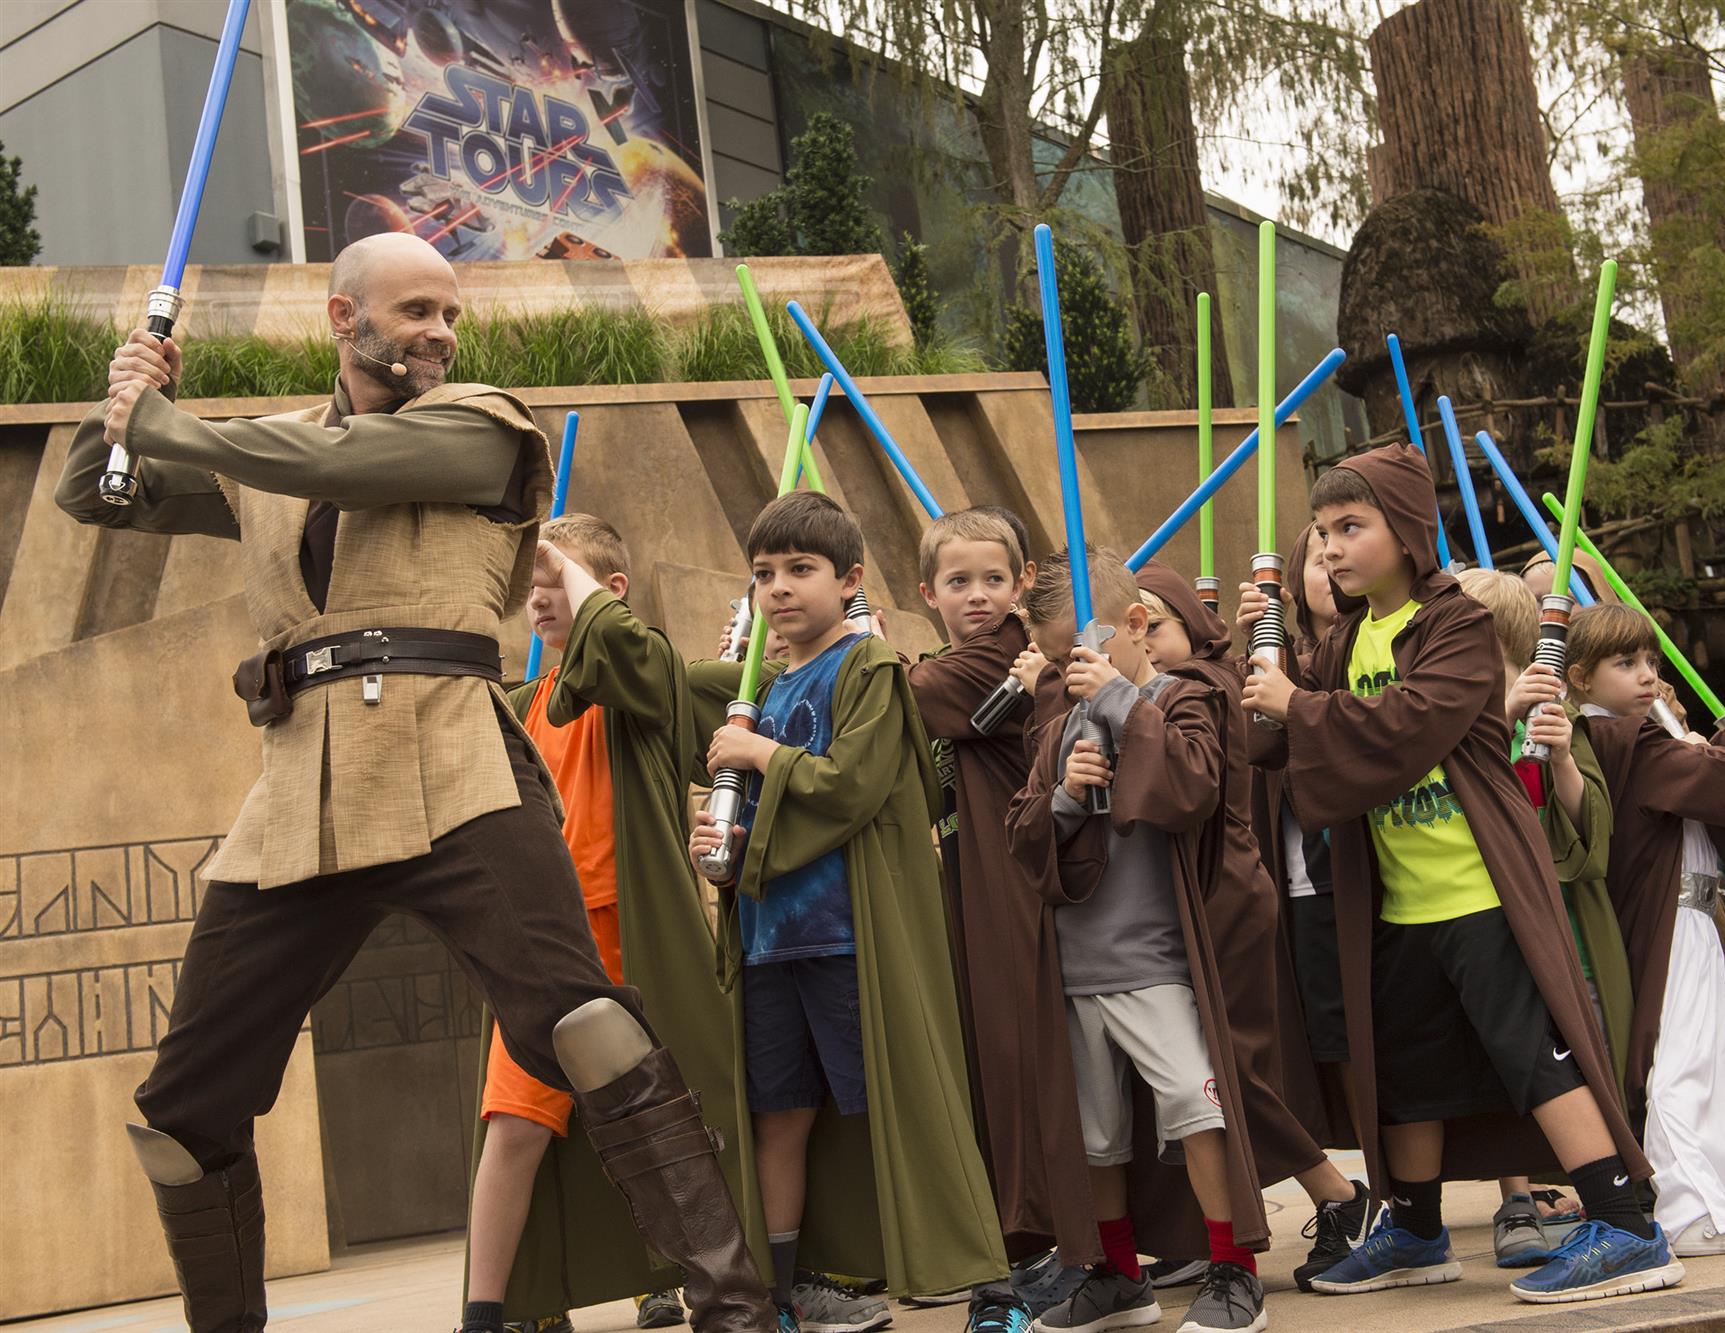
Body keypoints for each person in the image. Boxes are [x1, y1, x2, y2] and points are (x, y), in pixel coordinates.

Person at [54, 233, 773, 1333]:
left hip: (454, 761)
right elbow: (97, 494)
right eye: (415, 311)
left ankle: (734, 1309)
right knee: (185, 1105)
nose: (440, 332)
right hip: (301, 788)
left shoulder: (482, 425)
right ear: (344, 320)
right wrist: (123, 397)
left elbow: (344, 464)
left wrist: (165, 425)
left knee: (585, 1023)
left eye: (449, 312)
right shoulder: (269, 452)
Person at [1239, 445, 1677, 1306]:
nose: (1330, 547)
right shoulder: (1342, 641)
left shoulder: (1456, 623)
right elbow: (1267, 740)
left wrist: (1299, 706)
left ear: (1406, 529)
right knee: (1406, 1071)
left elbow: (1412, 723)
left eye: (1350, 526)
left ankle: (1625, 1225)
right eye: (1321, 531)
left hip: (1481, 886)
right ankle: (1414, 1228)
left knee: (1535, 1056)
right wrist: (1259, 651)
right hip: (1399, 901)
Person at [687, 491, 1010, 1324]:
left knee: (905, 1103)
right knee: (779, 1116)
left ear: (850, 579)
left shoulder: (867, 667)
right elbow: (768, 821)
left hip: (850, 938)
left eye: (800, 568)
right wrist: (722, 844)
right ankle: (782, 1293)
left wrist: (760, 751)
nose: (779, 588)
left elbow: (852, 786)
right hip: (769, 942)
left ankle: (989, 1283)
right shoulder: (762, 685)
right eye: (763, 573)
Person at [461, 515, 748, 1333]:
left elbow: (623, 651)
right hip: (547, 950)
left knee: (669, 1124)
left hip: (633, 936)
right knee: (515, 1123)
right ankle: (483, 1314)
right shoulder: (522, 705)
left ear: (609, 591)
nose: (538, 600)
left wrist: (574, 578)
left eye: (554, 582)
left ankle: (714, 1284)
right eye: (528, 588)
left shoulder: (644, 679)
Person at [1005, 547, 1271, 1333]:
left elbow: (1192, 786)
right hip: (1075, 964)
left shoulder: (1182, 698)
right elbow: (1021, 832)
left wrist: (1120, 700)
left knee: (1196, 1106)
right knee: (1095, 1135)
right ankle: (1118, 1276)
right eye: (1058, 658)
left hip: (1155, 959)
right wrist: (1063, 796)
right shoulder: (1059, 726)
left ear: (1131, 625)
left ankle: (1233, 1269)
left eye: (1078, 653)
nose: (1069, 671)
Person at [1140, 562, 1368, 1295]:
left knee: (1224, 1069)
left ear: (1190, 627)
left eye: (1157, 625)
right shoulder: (1164, 687)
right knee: (1188, 1072)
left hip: (1226, 897)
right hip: (1185, 902)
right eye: (1132, 627)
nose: (1144, 641)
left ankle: (1336, 1191)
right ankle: (1194, 1227)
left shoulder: (1204, 687)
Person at [1563, 603, 1725, 1258]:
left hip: (1686, 911)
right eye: (1625, 663)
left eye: (1649, 660)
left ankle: (1715, 1205)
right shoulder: (1623, 738)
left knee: (1704, 1059)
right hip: (1671, 915)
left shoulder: (1627, 736)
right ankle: (1693, 1207)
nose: (1646, 674)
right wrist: (1711, 751)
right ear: (1580, 677)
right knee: (1682, 1061)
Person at [904, 508, 1063, 1329]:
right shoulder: (960, 662)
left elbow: (901, 697)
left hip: (1018, 882)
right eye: (958, 581)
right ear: (926, 592)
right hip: (974, 877)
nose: (978, 595)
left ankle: (1038, 1237)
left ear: (1022, 583)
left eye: (993, 579)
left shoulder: (1002, 655)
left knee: (1017, 1050)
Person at [1454, 567, 1625, 1269]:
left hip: (1543, 912)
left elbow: (1587, 831)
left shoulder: (1550, 703)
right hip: (1468, 905)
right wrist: (1496, 716)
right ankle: (1517, 1195)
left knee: (1567, 1047)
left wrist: (1559, 757)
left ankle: (1615, 1194)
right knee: (1495, 1054)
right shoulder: (1445, 705)